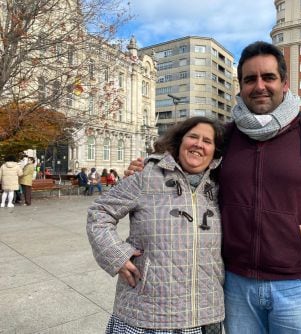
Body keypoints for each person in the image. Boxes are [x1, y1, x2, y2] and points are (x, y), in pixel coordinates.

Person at [126, 41, 301, 334]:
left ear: (284, 83)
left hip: (297, 286)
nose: (259, 86)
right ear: (240, 86)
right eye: (250, 79)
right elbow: (187, 163)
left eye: (268, 77)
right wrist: (148, 166)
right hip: (236, 284)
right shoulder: (226, 136)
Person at [87, 116, 225, 333]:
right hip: (147, 313)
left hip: (204, 313)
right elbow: (100, 212)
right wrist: (116, 255)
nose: (199, 144)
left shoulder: (221, 186)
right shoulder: (146, 176)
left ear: (215, 151)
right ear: (180, 142)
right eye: (193, 137)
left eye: (207, 141)